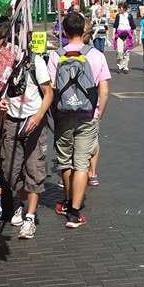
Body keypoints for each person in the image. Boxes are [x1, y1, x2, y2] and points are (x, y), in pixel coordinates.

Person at [48, 12, 111, 228]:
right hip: (87, 115)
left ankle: (66, 201)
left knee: (65, 160)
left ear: (64, 32)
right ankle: (75, 212)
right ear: (83, 30)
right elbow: (104, 90)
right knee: (82, 163)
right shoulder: (96, 56)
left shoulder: (56, 55)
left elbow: (52, 89)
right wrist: (97, 114)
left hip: (63, 115)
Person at [0, 23, 54, 239]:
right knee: (10, 169)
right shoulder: (3, 64)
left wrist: (38, 116)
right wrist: (2, 103)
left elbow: (48, 93)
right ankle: (20, 203)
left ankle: (30, 217)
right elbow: (2, 92)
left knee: (34, 167)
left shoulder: (35, 62)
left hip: (33, 119)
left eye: (1, 43)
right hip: (12, 120)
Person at [113, 2, 136, 74]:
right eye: (119, 8)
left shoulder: (129, 16)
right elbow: (115, 26)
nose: (119, 9)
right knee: (119, 52)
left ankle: (125, 67)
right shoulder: (118, 16)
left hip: (128, 36)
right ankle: (119, 66)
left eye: (120, 8)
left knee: (126, 52)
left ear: (124, 8)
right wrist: (113, 35)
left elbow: (133, 26)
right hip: (119, 35)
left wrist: (135, 35)